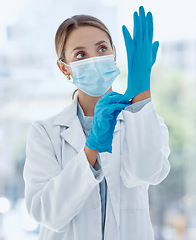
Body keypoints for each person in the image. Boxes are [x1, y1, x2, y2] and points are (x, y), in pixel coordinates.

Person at [23, 6, 170, 240]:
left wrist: (141, 93)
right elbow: (47, 212)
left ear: (113, 54)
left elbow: (147, 172)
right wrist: (90, 148)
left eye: (102, 49)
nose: (94, 59)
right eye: (80, 55)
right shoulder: (45, 133)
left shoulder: (143, 121)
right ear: (64, 68)